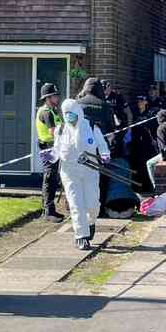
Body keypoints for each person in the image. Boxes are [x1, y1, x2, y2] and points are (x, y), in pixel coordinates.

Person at [54, 99, 110, 250]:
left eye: (71, 114)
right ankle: (81, 235)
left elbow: (102, 145)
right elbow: (56, 151)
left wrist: (105, 154)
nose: (69, 117)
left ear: (78, 112)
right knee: (76, 204)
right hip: (69, 172)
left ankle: (91, 221)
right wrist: (50, 155)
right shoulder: (60, 129)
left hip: (90, 171)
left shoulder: (90, 127)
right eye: (66, 114)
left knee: (92, 204)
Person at [36, 83, 64, 223]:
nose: (57, 97)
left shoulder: (52, 110)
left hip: (53, 147)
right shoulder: (46, 112)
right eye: (54, 95)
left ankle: (48, 209)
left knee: (52, 178)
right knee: (49, 178)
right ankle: (48, 211)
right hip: (48, 147)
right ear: (48, 98)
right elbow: (52, 131)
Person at [130, 96, 157, 193]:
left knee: (147, 164)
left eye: (141, 101)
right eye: (138, 101)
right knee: (137, 165)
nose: (139, 103)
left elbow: (153, 128)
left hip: (147, 143)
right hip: (136, 143)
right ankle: (137, 187)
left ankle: (148, 187)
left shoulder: (150, 114)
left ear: (145, 102)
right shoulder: (134, 113)